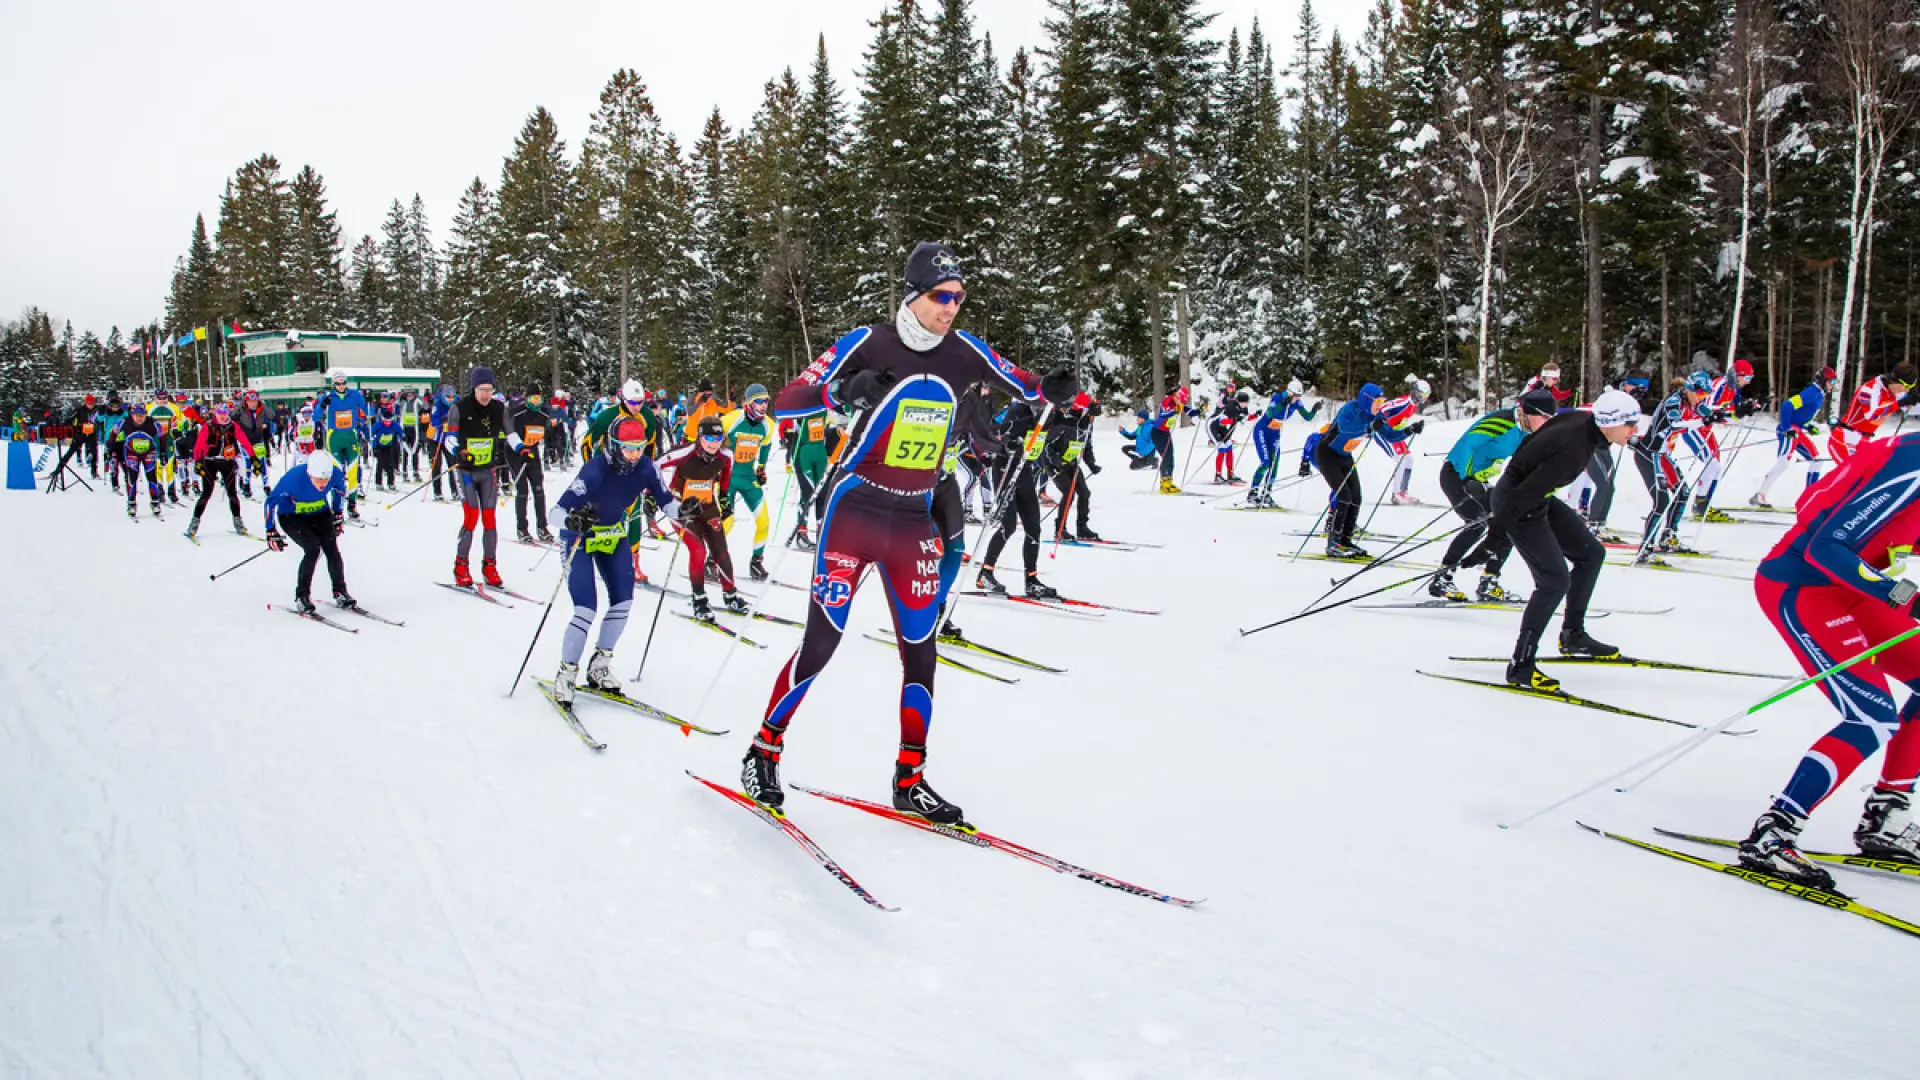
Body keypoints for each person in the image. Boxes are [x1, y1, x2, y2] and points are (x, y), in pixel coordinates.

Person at [746, 241, 1069, 823]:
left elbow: (1024, 383)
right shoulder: (868, 342)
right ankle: (763, 750)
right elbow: (786, 403)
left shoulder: (964, 350)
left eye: (959, 298)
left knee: (922, 653)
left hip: (913, 520)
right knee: (821, 644)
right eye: (942, 297)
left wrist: (1055, 389)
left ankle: (910, 779)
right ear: (914, 296)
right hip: (854, 513)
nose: (952, 308)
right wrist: (840, 392)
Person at [1739, 431, 1920, 889]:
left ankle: (1887, 818)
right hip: (1804, 587)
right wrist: (1903, 596)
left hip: (1853, 587)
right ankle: (1774, 832)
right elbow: (1828, 545)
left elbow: (1900, 530)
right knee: (1871, 719)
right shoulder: (1914, 462)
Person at [1460, 390, 1643, 689]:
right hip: (1517, 503)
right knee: (1554, 581)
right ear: (1610, 423)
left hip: (1534, 496)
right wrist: (1492, 540)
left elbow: (1535, 445)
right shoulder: (1575, 449)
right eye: (1630, 424)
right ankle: (1521, 664)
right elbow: (1523, 494)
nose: (1635, 430)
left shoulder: (1583, 423)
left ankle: (1573, 636)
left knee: (1591, 554)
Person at [548, 417, 680, 704]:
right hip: (580, 538)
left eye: (639, 448)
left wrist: (686, 510)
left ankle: (599, 666)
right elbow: (554, 513)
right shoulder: (595, 470)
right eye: (627, 449)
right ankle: (566, 673)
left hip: (612, 534)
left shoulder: (646, 466)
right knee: (585, 609)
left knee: (623, 602)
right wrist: (572, 520)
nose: (634, 456)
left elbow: (667, 501)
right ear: (613, 446)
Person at [1430, 390, 1557, 603]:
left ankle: (1489, 580)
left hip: (1480, 479)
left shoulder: (1528, 433)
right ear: (1530, 413)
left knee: (1509, 521)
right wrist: (1467, 478)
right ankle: (1442, 578)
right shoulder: (1502, 421)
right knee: (1476, 523)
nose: (1547, 423)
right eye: (1545, 417)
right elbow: (1469, 445)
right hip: (1457, 473)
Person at [441, 367, 523, 588]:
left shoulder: (498, 408)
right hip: (467, 471)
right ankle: (461, 565)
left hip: (488, 471)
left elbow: (511, 432)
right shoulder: (460, 408)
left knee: (490, 519)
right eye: (481, 390)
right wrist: (460, 452)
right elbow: (449, 438)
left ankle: (490, 565)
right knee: (471, 517)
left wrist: (521, 447)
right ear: (473, 388)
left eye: (489, 389)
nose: (485, 394)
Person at [660, 415, 747, 619]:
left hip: (708, 507)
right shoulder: (684, 452)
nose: (713, 444)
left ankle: (730, 595)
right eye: (708, 439)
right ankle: (699, 599)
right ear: (699, 436)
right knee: (698, 550)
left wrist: (724, 498)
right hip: (681, 509)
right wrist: (657, 496)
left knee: (721, 550)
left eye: (718, 439)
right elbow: (652, 466)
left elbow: (726, 473)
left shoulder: (725, 455)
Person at [975, 397, 1060, 598]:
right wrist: (1008, 443)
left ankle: (1031, 580)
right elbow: (997, 431)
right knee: (1008, 525)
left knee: (1033, 526)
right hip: (1006, 468)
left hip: (1025, 470)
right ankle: (985, 573)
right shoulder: (1016, 410)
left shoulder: (1047, 413)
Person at [264, 449, 353, 614]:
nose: (323, 484)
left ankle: (340, 591)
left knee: (332, 549)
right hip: (292, 516)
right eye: (318, 479)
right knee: (313, 549)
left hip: (319, 513)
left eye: (326, 480)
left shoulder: (335, 474)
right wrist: (271, 531)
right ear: (309, 474)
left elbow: (340, 490)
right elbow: (270, 502)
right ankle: (302, 596)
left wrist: (338, 514)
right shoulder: (294, 478)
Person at [1312, 383, 1394, 559]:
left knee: (1356, 497)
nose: (1380, 406)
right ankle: (1333, 543)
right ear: (1367, 400)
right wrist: (1369, 428)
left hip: (1344, 456)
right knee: (1344, 496)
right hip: (1327, 453)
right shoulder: (1351, 409)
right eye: (1377, 401)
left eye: (1382, 402)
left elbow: (1391, 435)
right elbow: (1346, 429)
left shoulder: (1374, 415)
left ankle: (1346, 540)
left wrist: (1410, 431)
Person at [1634, 373, 1711, 560]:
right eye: (1700, 394)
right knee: (1661, 501)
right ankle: (1646, 548)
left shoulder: (1692, 402)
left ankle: (1668, 536)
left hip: (1663, 455)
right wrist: (1700, 422)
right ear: (1691, 389)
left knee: (1682, 492)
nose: (1702, 399)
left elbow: (1710, 413)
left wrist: (1735, 412)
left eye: (1705, 396)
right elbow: (1675, 424)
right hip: (1649, 454)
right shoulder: (1674, 400)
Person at [1753, 366, 1835, 508]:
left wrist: (1808, 426)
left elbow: (1802, 414)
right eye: (1831, 382)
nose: (1832, 385)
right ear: (1823, 381)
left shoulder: (1819, 394)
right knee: (1783, 463)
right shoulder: (1812, 392)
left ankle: (1809, 497)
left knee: (1817, 460)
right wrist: (1786, 428)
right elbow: (1787, 405)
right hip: (1790, 431)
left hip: (1798, 431)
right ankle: (1760, 495)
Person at [1685, 359, 1757, 521]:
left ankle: (1705, 504)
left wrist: (1745, 409)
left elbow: (1728, 414)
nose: (1747, 383)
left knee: (1716, 468)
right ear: (1738, 375)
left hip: (1706, 429)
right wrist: (1730, 413)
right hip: (1694, 426)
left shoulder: (1732, 389)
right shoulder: (1721, 385)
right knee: (1712, 465)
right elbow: (1705, 408)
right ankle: (1700, 507)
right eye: (1747, 379)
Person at [721, 383, 776, 581]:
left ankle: (756, 563)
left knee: (764, 521)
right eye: (759, 401)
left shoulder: (768, 425)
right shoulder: (732, 419)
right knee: (726, 523)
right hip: (727, 478)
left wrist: (761, 468)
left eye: (766, 401)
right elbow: (709, 435)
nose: (763, 405)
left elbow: (767, 446)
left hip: (747, 477)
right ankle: (712, 561)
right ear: (749, 402)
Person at [186, 402, 255, 538]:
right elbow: (199, 444)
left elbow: (244, 441)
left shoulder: (234, 426)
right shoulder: (208, 426)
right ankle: (194, 523)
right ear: (215, 414)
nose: (222, 417)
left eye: (224, 414)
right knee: (206, 493)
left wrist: (253, 457)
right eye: (220, 414)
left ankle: (238, 521)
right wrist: (198, 461)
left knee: (232, 493)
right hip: (210, 462)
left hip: (227, 462)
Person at [1247, 379, 1319, 507]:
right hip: (1262, 432)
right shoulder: (1278, 397)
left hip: (1275, 434)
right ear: (1289, 393)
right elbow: (1270, 413)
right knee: (1265, 463)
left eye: (1299, 396)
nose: (1297, 399)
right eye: (1296, 396)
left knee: (1274, 465)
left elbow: (1307, 417)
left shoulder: (1296, 402)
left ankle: (1266, 494)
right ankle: (1253, 493)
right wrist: (1282, 404)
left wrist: (1314, 410)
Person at [1830, 362, 1915, 467]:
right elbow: (1871, 415)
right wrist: (1900, 403)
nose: (1907, 390)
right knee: (1855, 478)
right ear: (1895, 380)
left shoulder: (1896, 392)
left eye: (1911, 387)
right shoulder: (1870, 389)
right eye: (1906, 386)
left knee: (1869, 479)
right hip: (1844, 439)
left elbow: (1910, 409)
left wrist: (1914, 400)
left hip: (1863, 442)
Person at [1044, 392, 1102, 541]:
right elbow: (1048, 446)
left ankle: (1082, 527)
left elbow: (1086, 446)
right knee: (1068, 492)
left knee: (1084, 493)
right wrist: (1057, 462)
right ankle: (1060, 529)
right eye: (1086, 412)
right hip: (1054, 463)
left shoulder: (1086, 425)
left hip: (1070, 462)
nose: (1090, 417)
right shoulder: (1064, 421)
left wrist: (1092, 464)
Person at [313, 371, 370, 520]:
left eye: (343, 382)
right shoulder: (328, 397)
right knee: (337, 474)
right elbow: (315, 416)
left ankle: (352, 505)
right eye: (338, 383)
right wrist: (322, 405)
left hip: (351, 437)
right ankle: (336, 508)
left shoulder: (355, 395)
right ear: (334, 384)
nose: (341, 386)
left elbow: (367, 412)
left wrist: (368, 400)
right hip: (334, 438)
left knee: (352, 472)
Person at [508, 388, 556, 542]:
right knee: (522, 490)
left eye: (539, 399)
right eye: (532, 399)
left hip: (533, 453)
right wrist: (520, 450)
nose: (536, 403)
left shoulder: (543, 415)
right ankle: (522, 528)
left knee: (539, 490)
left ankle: (542, 527)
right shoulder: (517, 413)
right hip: (516, 454)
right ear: (526, 399)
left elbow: (547, 434)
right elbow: (509, 435)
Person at [1377, 376, 1431, 505]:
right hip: (1383, 432)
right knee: (1401, 461)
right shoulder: (1404, 402)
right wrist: (1380, 420)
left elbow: (1399, 421)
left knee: (1409, 460)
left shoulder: (1413, 405)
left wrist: (1411, 428)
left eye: (1427, 395)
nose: (1425, 398)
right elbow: (1384, 407)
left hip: (1395, 434)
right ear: (1416, 393)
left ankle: (1403, 492)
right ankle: (1396, 495)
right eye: (1423, 395)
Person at [114, 402, 166, 518]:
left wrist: (163, 453)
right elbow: (113, 434)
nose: (139, 418)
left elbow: (163, 436)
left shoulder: (153, 423)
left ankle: (155, 502)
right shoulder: (124, 422)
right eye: (137, 415)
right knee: (132, 478)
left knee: (152, 477)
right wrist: (111, 450)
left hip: (149, 453)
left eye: (142, 415)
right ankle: (131, 503)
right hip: (131, 453)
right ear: (132, 415)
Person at [233, 390, 272, 498]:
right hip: (245, 441)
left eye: (254, 401)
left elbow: (269, 421)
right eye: (250, 401)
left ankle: (266, 485)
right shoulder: (241, 411)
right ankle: (246, 485)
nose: (252, 403)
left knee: (261, 462)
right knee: (248, 463)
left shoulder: (262, 409)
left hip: (258, 440)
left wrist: (268, 432)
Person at [1207, 386, 1250, 484]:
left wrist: (1255, 415)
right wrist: (1234, 420)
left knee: (1229, 449)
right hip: (1214, 427)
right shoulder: (1230, 407)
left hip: (1226, 430)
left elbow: (1244, 419)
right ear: (1238, 401)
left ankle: (1230, 474)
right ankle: (1218, 475)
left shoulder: (1243, 409)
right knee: (1222, 449)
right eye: (1243, 403)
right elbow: (1222, 421)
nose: (1245, 405)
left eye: (1246, 403)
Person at [426, 383, 458, 500]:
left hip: (449, 439)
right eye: (448, 397)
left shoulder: (456, 405)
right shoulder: (437, 405)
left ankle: (455, 491)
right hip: (436, 438)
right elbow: (433, 421)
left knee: (452, 465)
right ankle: (437, 491)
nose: (450, 399)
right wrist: (442, 420)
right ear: (443, 397)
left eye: (452, 397)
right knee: (437, 465)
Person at [369, 394, 405, 492]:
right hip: (379, 447)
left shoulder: (394, 424)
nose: (388, 423)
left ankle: (391, 483)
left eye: (390, 421)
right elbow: (371, 435)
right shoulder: (378, 425)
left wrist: (403, 436)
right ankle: (378, 483)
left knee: (390, 465)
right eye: (386, 421)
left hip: (389, 446)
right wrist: (373, 447)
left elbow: (400, 431)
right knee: (380, 465)